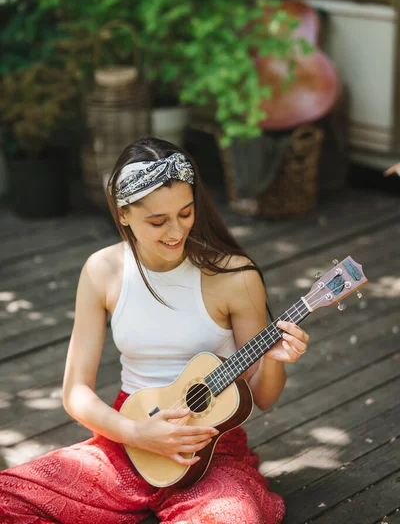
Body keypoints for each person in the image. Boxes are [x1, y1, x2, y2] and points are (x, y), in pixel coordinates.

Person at [0, 137, 309, 524]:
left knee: (232, 518)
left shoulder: (234, 276)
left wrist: (276, 360)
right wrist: (137, 433)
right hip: (127, 436)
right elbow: (76, 392)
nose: (176, 231)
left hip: (211, 450)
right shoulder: (102, 271)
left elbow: (262, 396)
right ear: (124, 213)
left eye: (186, 212)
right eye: (157, 220)